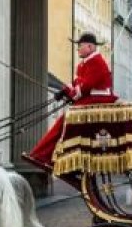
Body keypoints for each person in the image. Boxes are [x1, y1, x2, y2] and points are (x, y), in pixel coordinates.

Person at [22, 32, 118, 172]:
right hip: (89, 99)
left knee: (64, 121)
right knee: (62, 122)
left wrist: (68, 91)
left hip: (97, 99)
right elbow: (78, 83)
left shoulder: (96, 62)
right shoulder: (86, 63)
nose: (78, 49)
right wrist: (65, 90)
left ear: (90, 47)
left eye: (80, 46)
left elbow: (83, 88)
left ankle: (43, 156)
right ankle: (43, 155)